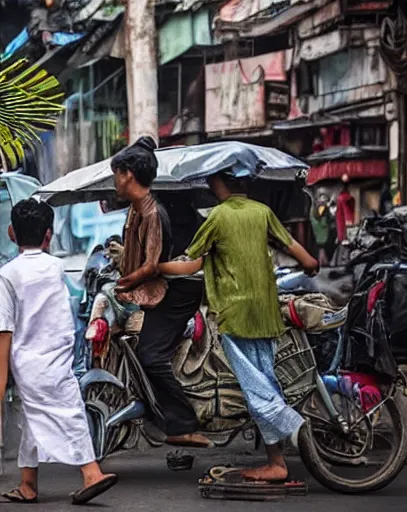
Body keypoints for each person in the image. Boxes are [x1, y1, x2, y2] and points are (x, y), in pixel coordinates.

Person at [158, 171, 319, 482]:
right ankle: (276, 462)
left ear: (221, 184)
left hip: (236, 313)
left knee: (256, 390)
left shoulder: (218, 216)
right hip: (267, 314)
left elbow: (191, 264)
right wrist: (310, 264)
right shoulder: (262, 212)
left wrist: (155, 267)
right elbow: (301, 254)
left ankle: (295, 427)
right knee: (264, 384)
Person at [0, 199, 117, 505]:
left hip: (28, 361)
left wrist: (2, 379)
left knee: (34, 416)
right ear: (49, 235)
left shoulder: (8, 274)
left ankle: (28, 484)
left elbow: (5, 329)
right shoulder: (56, 266)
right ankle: (91, 473)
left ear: (11, 233)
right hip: (57, 356)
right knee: (68, 412)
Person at [110, 136, 211, 448]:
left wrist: (128, 281)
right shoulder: (137, 209)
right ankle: (159, 409)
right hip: (163, 287)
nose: (114, 179)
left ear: (128, 174)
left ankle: (184, 423)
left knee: (150, 356)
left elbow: (152, 265)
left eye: (117, 173)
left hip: (178, 290)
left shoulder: (154, 212)